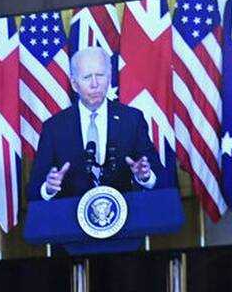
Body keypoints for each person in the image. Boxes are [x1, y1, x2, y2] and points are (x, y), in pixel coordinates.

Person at [27, 45, 165, 202]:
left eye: (100, 75)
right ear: (74, 84)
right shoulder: (54, 127)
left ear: (109, 77)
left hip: (122, 211)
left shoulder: (132, 119)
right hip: (71, 214)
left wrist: (145, 176)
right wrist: (49, 188)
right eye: (87, 77)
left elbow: (160, 175)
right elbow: (34, 189)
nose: (95, 84)